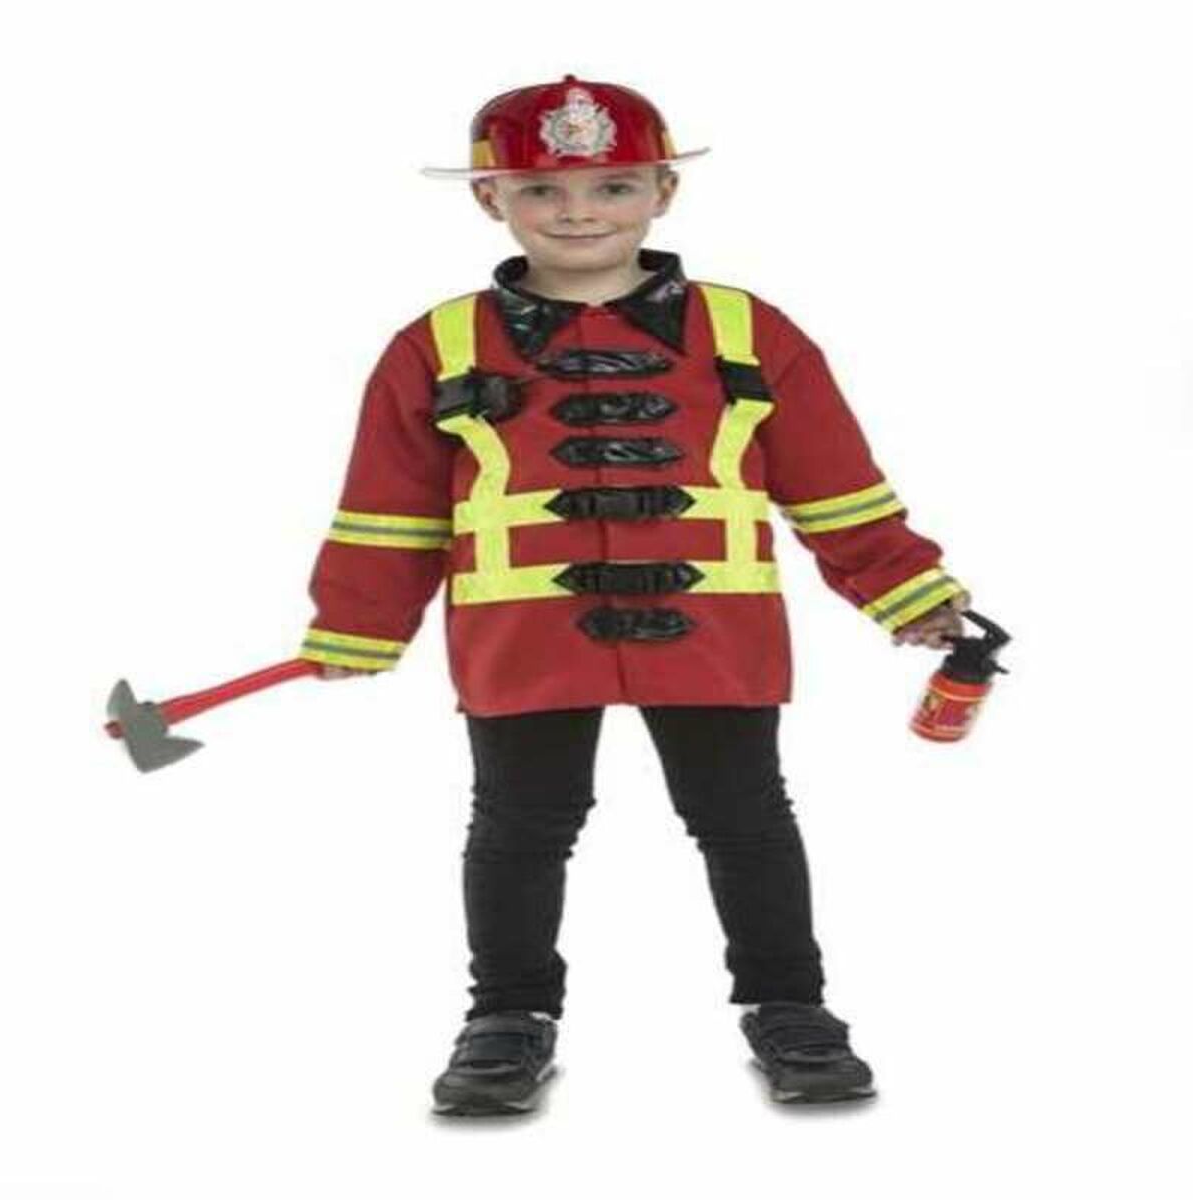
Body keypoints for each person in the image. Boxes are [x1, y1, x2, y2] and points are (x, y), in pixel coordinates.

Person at [297, 74, 972, 1116]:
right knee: (520, 826)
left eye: (612, 188)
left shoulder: (748, 331)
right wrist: (357, 621)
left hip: (715, 628)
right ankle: (506, 1017)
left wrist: (906, 589)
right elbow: (389, 505)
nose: (578, 213)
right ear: (490, 198)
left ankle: (791, 1008)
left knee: (744, 818)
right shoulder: (437, 345)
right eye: (543, 190)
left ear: (663, 191)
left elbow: (834, 482)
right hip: (523, 633)